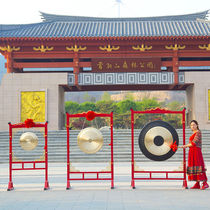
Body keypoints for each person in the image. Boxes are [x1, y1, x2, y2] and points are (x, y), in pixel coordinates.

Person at [179, 120, 209, 190]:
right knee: (194, 166)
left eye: (194, 125)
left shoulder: (198, 132)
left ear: (197, 125)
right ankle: (197, 183)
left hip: (196, 151)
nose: (192, 126)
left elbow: (194, 143)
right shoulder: (194, 133)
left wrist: (185, 146)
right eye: (191, 125)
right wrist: (186, 146)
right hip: (192, 151)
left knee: (198, 166)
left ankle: (205, 183)